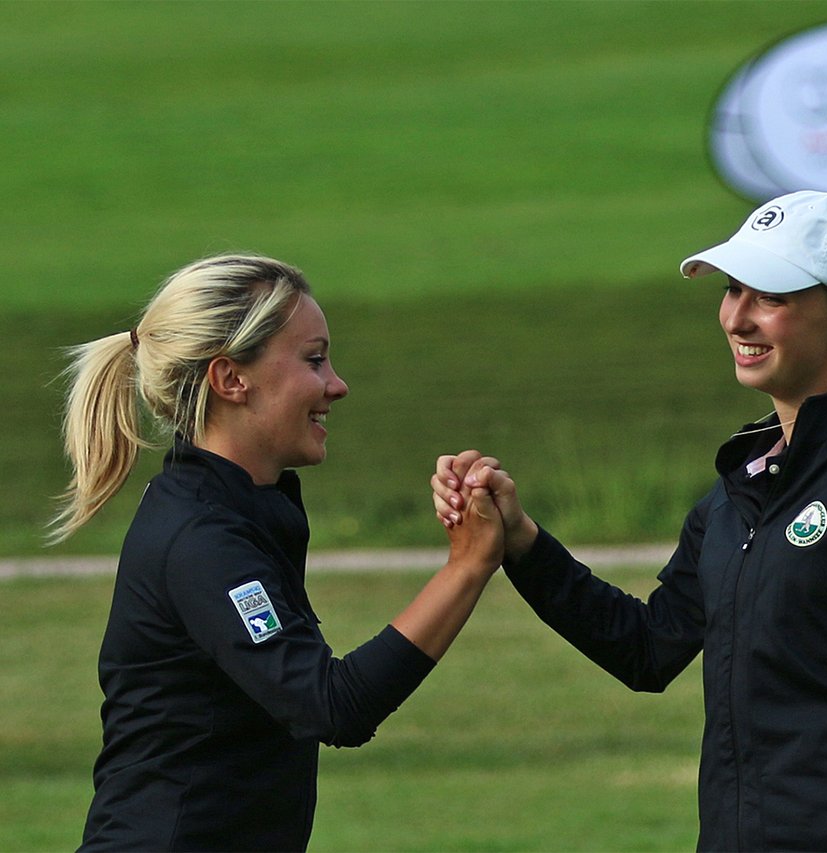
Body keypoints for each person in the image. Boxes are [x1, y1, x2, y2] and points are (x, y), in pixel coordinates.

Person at [433, 191, 827, 852]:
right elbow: (647, 648)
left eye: (771, 297)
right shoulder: (740, 489)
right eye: (733, 290)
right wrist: (521, 540)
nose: (738, 317)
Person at [50, 254, 505, 851]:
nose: (337, 385)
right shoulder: (202, 539)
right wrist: (467, 566)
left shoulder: (241, 508)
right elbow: (331, 705)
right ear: (230, 379)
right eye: (314, 360)